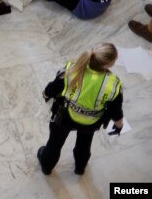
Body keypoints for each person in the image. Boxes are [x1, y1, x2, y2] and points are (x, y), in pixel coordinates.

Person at [37, 43, 124, 176]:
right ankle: (80, 167)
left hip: (64, 117)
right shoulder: (112, 85)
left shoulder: (72, 70)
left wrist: (45, 95)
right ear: (107, 65)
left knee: (54, 143)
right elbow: (116, 111)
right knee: (84, 144)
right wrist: (119, 126)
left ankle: (46, 167)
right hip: (91, 122)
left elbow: (51, 89)